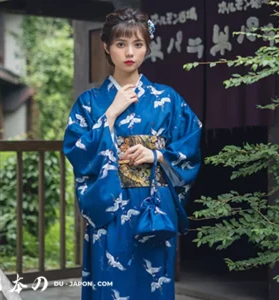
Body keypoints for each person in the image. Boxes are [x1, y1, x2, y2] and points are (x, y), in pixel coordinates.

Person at [63, 6, 202, 300]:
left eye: (138, 44)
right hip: (109, 211)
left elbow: (190, 145)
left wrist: (157, 156)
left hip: (152, 209)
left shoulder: (167, 99)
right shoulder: (90, 103)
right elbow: (76, 150)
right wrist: (109, 116)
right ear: (106, 47)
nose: (130, 52)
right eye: (120, 44)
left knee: (152, 286)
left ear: (147, 48)